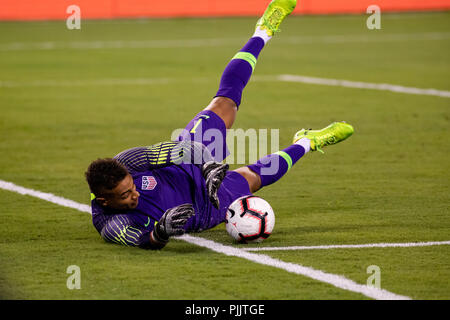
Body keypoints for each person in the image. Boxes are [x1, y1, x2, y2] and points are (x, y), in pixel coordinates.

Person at [85, 0, 354, 250]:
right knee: (255, 177)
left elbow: (177, 151)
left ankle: (263, 30)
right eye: (125, 196)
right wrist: (161, 232)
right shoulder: (110, 224)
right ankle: (307, 142)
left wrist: (207, 166)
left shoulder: (128, 162)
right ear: (104, 200)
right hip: (205, 210)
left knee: (224, 103)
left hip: (189, 168)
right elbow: (143, 241)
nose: (134, 195)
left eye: (132, 187)